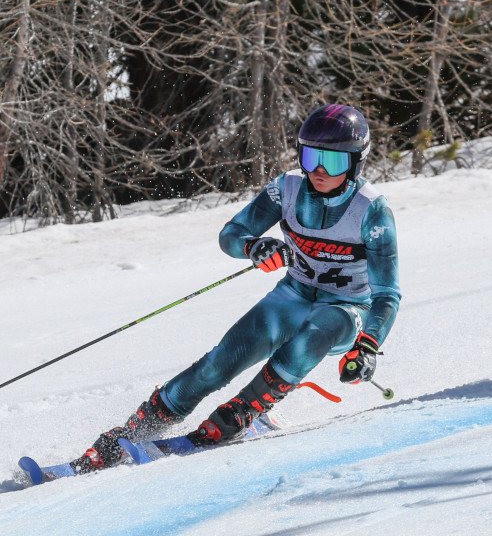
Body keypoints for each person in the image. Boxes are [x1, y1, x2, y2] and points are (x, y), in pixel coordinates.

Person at [71, 104, 401, 472]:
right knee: (218, 364)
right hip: (294, 294)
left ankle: (241, 412)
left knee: (315, 333)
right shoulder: (287, 189)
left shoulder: (371, 209)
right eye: (310, 157)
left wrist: (369, 347)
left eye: (334, 162)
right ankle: (136, 429)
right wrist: (254, 247)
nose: (319, 170)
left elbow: (387, 293)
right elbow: (231, 234)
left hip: (348, 309)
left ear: (356, 163)